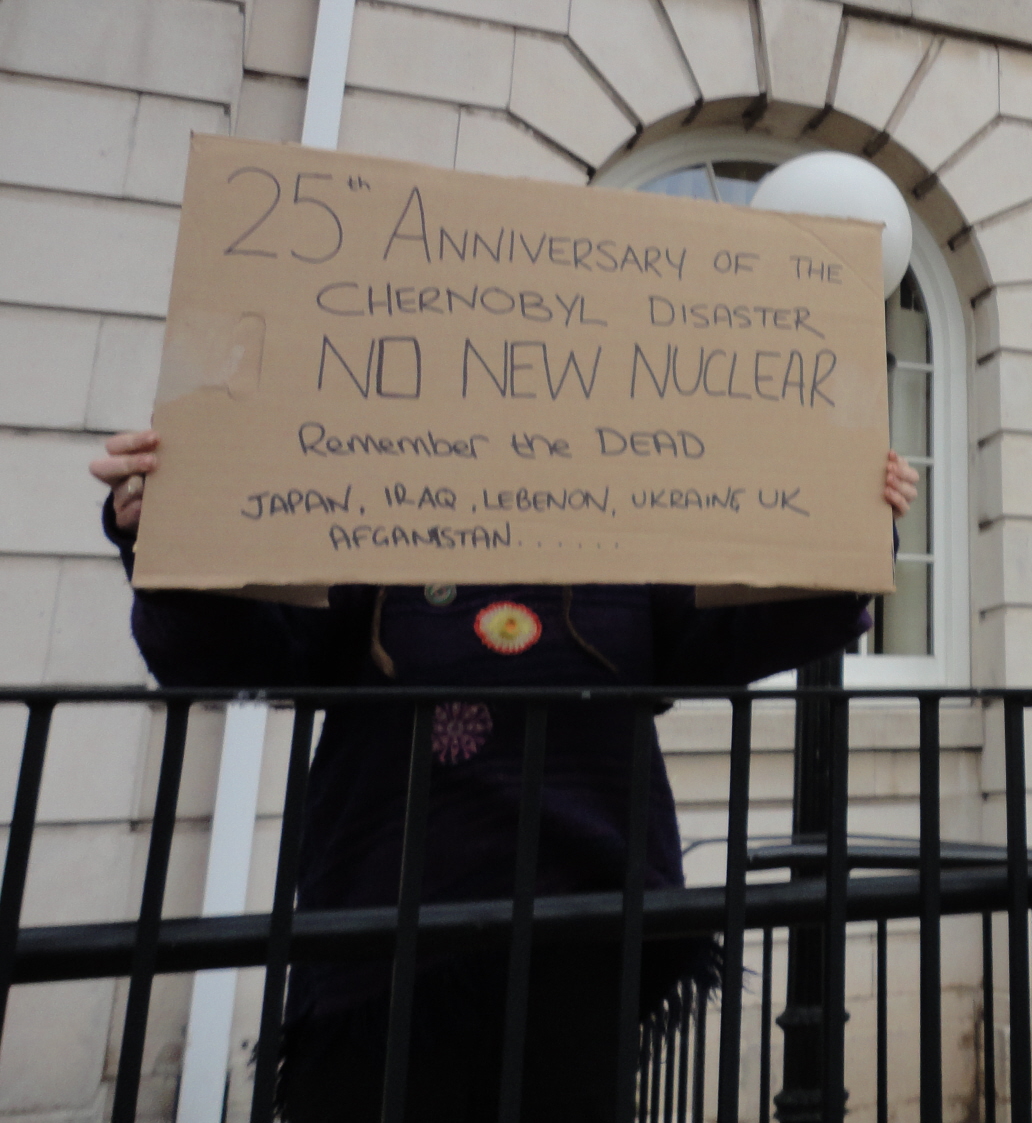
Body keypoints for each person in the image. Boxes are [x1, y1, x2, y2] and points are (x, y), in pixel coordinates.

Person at [90, 428, 918, 1123]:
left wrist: (847, 534)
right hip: (384, 953)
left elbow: (726, 632)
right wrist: (169, 534)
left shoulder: (629, 529)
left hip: (582, 945)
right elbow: (238, 652)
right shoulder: (366, 507)